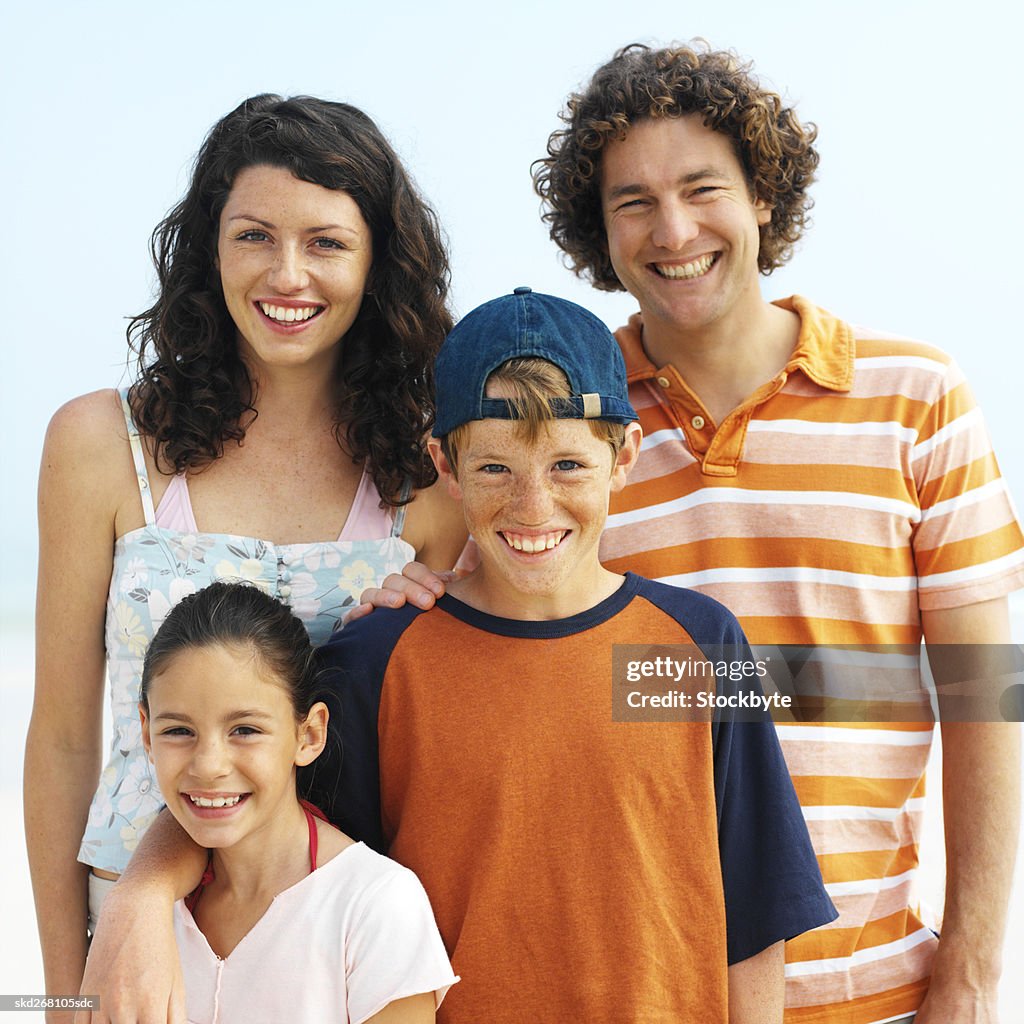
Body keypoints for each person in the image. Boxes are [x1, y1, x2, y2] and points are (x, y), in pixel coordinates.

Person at [365, 44, 1024, 1024]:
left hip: (880, 984)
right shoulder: (565, 423)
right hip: (651, 986)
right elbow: (462, 601)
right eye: (632, 201)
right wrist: (399, 584)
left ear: (762, 196)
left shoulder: (914, 400)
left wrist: (969, 973)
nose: (671, 230)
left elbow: (984, 698)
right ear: (601, 229)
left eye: (700, 188)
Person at [24, 93, 465, 1020]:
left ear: (380, 260)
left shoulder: (429, 478)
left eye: (329, 243)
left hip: (331, 932)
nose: (288, 274)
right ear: (208, 249)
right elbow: (64, 735)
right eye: (254, 236)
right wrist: (69, 991)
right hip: (128, 929)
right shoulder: (102, 445)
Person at [313, 287, 837, 1023]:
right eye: (495, 468)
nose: (533, 506)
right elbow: (323, 916)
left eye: (567, 466)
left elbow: (755, 909)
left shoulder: (693, 647)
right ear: (445, 466)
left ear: (622, 458)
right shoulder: (375, 661)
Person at [139, 582, 457, 1023]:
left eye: (245, 730)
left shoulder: (374, 905)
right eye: (178, 730)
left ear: (309, 735)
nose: (209, 765)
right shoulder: (147, 913)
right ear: (145, 734)